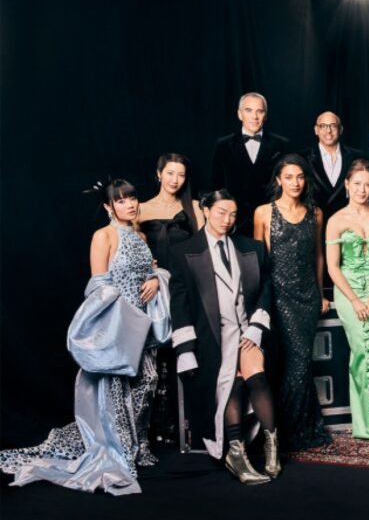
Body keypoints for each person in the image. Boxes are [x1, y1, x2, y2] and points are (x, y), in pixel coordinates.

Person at [0, 180, 170, 495]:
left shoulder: (141, 236)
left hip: (142, 323)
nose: (130, 205)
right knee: (116, 388)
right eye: (121, 200)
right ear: (108, 206)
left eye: (132, 198)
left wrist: (157, 280)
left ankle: (140, 442)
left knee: (147, 382)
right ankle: (121, 449)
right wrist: (120, 312)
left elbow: (150, 272)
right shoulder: (103, 236)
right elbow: (99, 284)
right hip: (117, 322)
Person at [169, 189, 279, 485]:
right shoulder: (184, 251)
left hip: (246, 330)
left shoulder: (252, 248)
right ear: (205, 210)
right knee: (233, 384)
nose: (227, 220)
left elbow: (265, 288)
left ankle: (272, 448)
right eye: (221, 212)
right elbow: (179, 304)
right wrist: (185, 349)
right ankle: (236, 454)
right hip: (212, 338)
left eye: (232, 214)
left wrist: (257, 326)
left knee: (257, 377)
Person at [253, 154, 332, 451]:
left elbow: (318, 256)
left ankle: (293, 429)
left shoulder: (316, 213)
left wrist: (321, 293)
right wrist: (261, 300)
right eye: (289, 177)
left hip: (307, 297)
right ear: (278, 180)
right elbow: (258, 261)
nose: (295, 183)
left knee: (301, 363)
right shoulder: (264, 212)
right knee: (292, 363)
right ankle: (284, 431)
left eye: (300, 177)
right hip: (278, 296)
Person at [324, 159, 369, 441]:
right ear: (347, 185)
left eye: (368, 185)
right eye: (357, 184)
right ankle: (368, 425)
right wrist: (355, 301)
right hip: (349, 290)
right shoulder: (335, 221)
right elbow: (333, 267)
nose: (362, 189)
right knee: (363, 351)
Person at [136, 152, 206, 452]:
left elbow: (203, 251)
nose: (175, 180)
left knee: (185, 351)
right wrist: (151, 275)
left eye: (181, 174)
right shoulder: (140, 209)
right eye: (170, 173)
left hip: (185, 288)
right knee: (153, 359)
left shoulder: (194, 208)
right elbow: (133, 254)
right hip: (152, 291)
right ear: (158, 174)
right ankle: (152, 428)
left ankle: (184, 427)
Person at [210, 92, 289, 235]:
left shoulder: (281, 145)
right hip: (233, 223)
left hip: (271, 221)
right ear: (239, 114)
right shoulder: (223, 145)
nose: (254, 116)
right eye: (249, 110)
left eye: (260, 111)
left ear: (265, 115)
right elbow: (215, 185)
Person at [302, 111, 368, 221]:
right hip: (314, 221)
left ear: (340, 129)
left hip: (349, 221)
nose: (328, 130)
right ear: (316, 130)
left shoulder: (357, 157)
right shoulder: (303, 157)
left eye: (333, 126)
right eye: (323, 126)